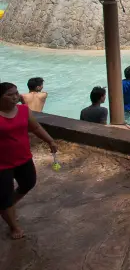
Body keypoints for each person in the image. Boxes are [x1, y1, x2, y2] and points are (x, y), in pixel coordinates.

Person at [0, 82, 58, 240]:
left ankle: (6, 206)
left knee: (28, 183)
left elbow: (36, 128)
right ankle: (13, 225)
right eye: (9, 94)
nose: (15, 97)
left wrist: (50, 141)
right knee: (4, 196)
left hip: (23, 157)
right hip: (2, 164)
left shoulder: (24, 110)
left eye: (16, 93)